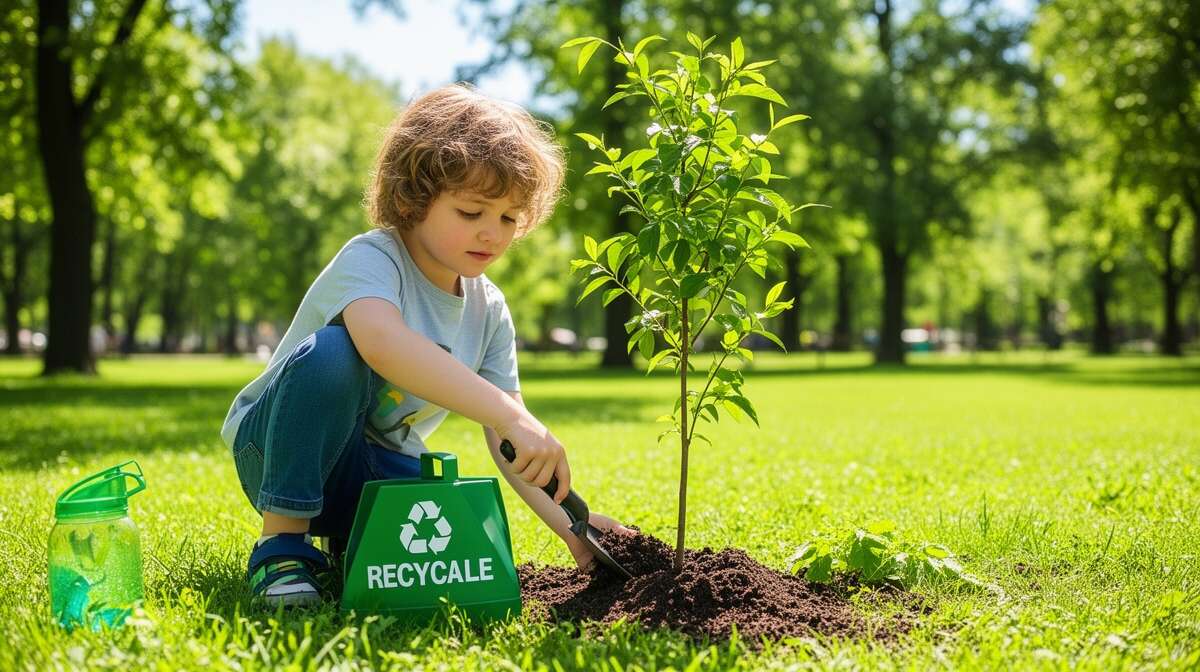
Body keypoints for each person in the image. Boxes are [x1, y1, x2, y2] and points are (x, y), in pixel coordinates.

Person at [221, 84, 631, 607]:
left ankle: (358, 546)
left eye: (508, 217)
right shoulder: (374, 258)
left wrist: (575, 526)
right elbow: (382, 345)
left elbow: (511, 445)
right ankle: (282, 548)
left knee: (446, 504)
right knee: (333, 353)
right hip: (276, 450)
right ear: (412, 198)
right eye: (471, 212)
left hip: (375, 468)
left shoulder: (489, 309)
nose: (493, 234)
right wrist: (508, 413)